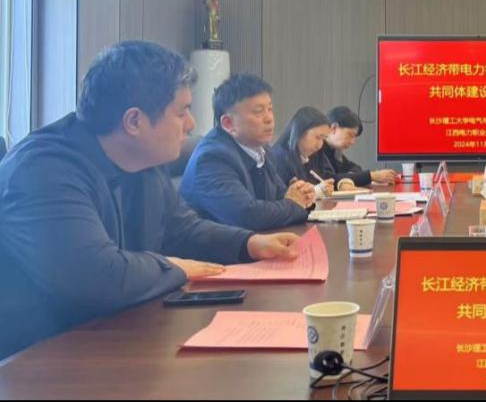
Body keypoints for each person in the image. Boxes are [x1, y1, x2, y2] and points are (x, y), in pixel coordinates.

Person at [0, 41, 299, 360]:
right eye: (182, 112)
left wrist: (249, 243)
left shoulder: (144, 160)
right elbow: (95, 276)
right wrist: (174, 267)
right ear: (134, 122)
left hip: (115, 336)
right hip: (36, 359)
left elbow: (181, 229)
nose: (191, 124)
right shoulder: (43, 169)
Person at [180, 75, 317, 231]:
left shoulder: (261, 149)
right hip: (215, 246)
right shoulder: (212, 158)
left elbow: (281, 196)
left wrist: (301, 194)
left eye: (270, 109)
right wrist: (294, 204)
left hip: (257, 240)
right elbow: (246, 215)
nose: (269, 118)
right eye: (258, 112)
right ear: (228, 123)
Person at [319, 106, 397, 188]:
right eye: (350, 135)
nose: (352, 142)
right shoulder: (316, 149)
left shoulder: (334, 150)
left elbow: (354, 168)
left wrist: (353, 176)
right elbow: (330, 179)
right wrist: (371, 176)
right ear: (333, 128)